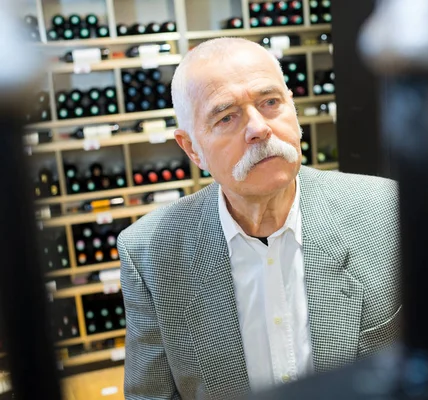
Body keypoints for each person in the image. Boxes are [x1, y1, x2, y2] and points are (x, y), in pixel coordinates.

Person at [118, 37, 401, 400]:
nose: (259, 128)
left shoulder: (386, 210)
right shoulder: (150, 254)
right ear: (191, 149)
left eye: (270, 103)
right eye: (226, 117)